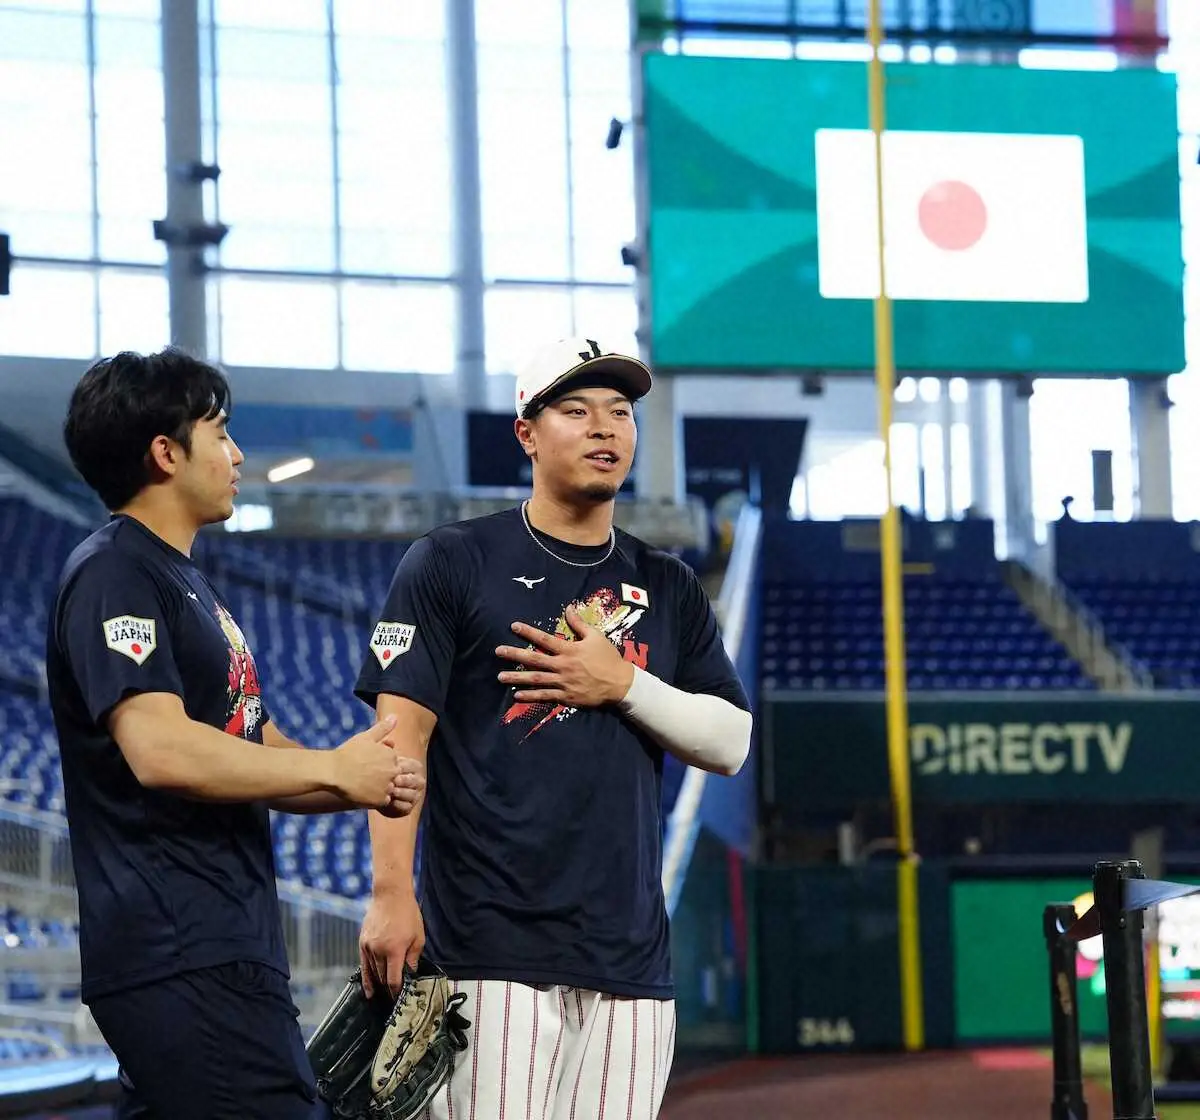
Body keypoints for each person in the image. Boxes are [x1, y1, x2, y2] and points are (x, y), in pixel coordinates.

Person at [353, 337, 753, 1119]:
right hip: (487, 951)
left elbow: (730, 742)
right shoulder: (451, 561)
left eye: (620, 412)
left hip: (630, 956)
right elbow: (398, 739)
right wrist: (390, 892)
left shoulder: (667, 585)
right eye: (576, 410)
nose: (605, 427)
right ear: (527, 433)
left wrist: (623, 683)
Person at [45, 348, 425, 1120]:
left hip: (214, 942)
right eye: (219, 431)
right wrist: (337, 772)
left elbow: (251, 741)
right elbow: (161, 749)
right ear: (165, 452)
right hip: (181, 947)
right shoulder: (116, 571)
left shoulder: (183, 581)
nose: (237, 452)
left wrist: (359, 776)